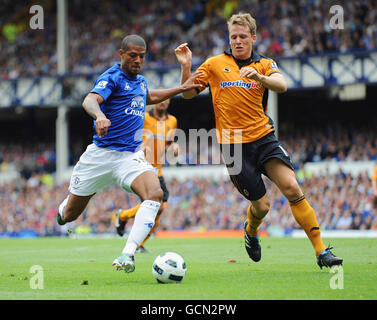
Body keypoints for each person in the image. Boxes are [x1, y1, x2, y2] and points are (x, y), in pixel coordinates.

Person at [174, 12, 343, 269]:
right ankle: (251, 231)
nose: (238, 41)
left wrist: (260, 78)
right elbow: (187, 95)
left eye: (243, 36)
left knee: (293, 189)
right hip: (233, 147)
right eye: (233, 37)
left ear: (253, 38)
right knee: (262, 206)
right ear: (229, 39)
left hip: (263, 137)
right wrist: (186, 66)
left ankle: (322, 252)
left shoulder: (264, 64)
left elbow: (281, 85)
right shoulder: (214, 64)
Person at [56, 34, 202, 273]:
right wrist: (100, 115)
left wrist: (181, 88)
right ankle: (62, 211)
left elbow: (150, 97)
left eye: (141, 56)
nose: (137, 60)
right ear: (121, 54)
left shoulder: (141, 81)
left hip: (129, 156)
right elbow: (89, 100)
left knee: (155, 194)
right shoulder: (112, 77)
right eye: (132, 55)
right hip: (101, 156)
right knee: (71, 214)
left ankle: (128, 253)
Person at [114, 97, 179, 253]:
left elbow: (169, 143)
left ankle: (125, 219)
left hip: (158, 170)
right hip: (143, 167)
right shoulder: (143, 117)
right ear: (155, 101)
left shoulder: (173, 121)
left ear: (169, 102)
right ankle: (134, 236)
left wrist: (174, 147)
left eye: (166, 100)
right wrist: (140, 146)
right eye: (161, 99)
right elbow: (130, 134)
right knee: (154, 204)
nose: (163, 102)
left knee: (160, 207)